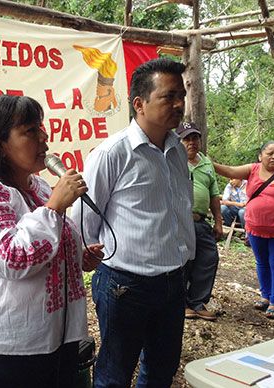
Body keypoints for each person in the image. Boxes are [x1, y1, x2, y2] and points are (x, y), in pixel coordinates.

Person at [0, 95, 103, 387]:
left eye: (41, 128)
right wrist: (55, 208)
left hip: (57, 346)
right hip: (5, 357)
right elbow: (12, 258)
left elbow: (44, 245)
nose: (44, 137)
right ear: (0, 143)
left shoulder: (41, 188)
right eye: (30, 130)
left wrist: (78, 256)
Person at [72, 58, 195, 387]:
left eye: (180, 96)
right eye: (168, 97)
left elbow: (179, 208)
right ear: (139, 104)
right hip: (124, 286)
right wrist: (93, 254)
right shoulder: (112, 153)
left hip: (171, 282)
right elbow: (84, 219)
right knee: (114, 375)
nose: (178, 104)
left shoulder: (177, 150)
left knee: (161, 369)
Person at [214, 141, 274, 319]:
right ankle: (265, 297)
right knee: (261, 262)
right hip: (256, 227)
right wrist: (206, 162)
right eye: (270, 153)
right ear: (261, 156)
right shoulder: (252, 169)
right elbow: (228, 171)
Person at [176, 122, 223, 321]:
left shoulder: (206, 164)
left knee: (208, 258)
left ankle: (197, 301)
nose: (191, 142)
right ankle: (182, 304)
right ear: (178, 141)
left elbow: (214, 195)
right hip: (179, 221)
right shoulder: (172, 161)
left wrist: (219, 221)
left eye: (194, 138)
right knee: (183, 263)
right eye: (186, 138)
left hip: (201, 222)